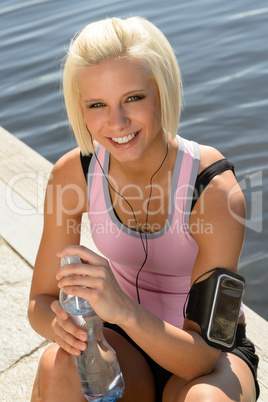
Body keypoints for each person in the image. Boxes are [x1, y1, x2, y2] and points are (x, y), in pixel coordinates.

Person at [28, 16, 259, 402]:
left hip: (206, 355)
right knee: (58, 366)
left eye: (133, 98)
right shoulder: (74, 173)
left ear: (161, 92)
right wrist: (66, 326)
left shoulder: (214, 190)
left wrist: (123, 309)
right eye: (97, 104)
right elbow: (40, 301)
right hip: (121, 343)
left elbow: (199, 359)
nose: (116, 122)